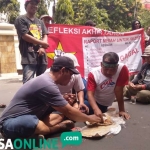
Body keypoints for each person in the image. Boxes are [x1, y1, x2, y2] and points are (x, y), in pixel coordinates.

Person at [0, 56, 101, 140]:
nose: (71, 78)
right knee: (30, 122)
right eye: (70, 74)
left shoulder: (47, 80)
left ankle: (40, 129)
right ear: (63, 70)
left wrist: (63, 98)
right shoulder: (46, 83)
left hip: (35, 115)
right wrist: (90, 118)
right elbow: (69, 111)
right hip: (9, 123)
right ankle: (55, 129)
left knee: (60, 111)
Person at [85, 52, 130, 121]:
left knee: (102, 114)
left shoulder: (122, 69)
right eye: (106, 69)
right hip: (94, 99)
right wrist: (96, 109)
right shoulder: (93, 74)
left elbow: (118, 90)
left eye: (112, 70)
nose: (109, 72)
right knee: (83, 112)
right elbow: (90, 94)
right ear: (101, 64)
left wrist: (122, 110)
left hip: (105, 103)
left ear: (117, 67)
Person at [14, 0, 49, 84]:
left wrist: (42, 48)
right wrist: (42, 44)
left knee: (42, 84)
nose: (34, 6)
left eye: (36, 4)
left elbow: (45, 35)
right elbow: (25, 36)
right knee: (28, 85)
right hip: (29, 58)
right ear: (26, 6)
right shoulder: (21, 19)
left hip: (42, 58)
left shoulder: (40, 22)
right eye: (32, 3)